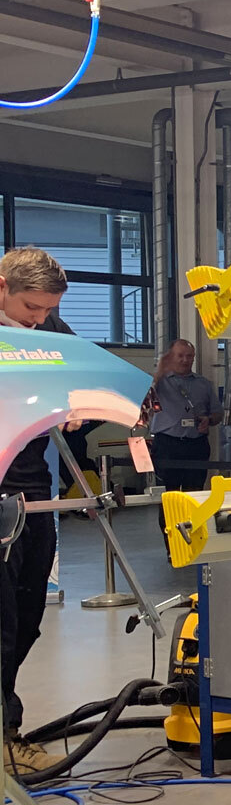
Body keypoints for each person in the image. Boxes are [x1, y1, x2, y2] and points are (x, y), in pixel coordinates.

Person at [1, 246, 74, 776]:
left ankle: (5, 729)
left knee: (27, 620)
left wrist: (79, 408)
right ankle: (7, 736)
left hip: (36, 494)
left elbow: (78, 382)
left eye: (47, 309)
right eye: (31, 306)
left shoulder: (52, 330)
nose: (39, 317)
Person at [144, 339, 220, 493]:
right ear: (171, 357)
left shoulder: (204, 384)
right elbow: (144, 398)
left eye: (189, 356)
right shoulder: (159, 381)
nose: (185, 360)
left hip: (195, 446)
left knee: (194, 493)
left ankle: (192, 518)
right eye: (180, 356)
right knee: (167, 495)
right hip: (167, 445)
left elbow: (218, 413)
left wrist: (209, 420)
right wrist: (160, 370)